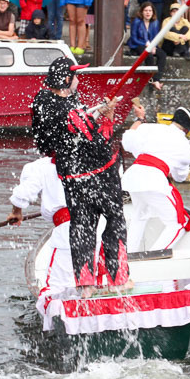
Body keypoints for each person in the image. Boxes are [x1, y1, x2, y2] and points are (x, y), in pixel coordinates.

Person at [31, 58, 130, 296]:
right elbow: (94, 135)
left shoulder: (44, 101)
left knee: (82, 225)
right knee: (114, 219)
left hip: (72, 177)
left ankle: (86, 285)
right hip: (98, 173)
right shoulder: (59, 107)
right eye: (75, 76)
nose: (78, 79)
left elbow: (62, 137)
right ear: (66, 79)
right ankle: (118, 279)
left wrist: (98, 113)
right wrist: (108, 116)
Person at [121, 103, 190, 254]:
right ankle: (154, 258)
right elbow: (180, 177)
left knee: (140, 216)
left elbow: (127, 142)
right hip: (154, 180)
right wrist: (167, 169)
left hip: (133, 176)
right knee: (178, 223)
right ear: (187, 130)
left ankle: (128, 255)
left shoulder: (148, 128)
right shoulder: (186, 149)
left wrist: (140, 119)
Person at [7, 155, 73, 292]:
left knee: (56, 288)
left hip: (66, 231)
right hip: (96, 225)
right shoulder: (90, 158)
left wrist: (16, 212)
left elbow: (22, 194)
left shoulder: (42, 166)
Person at [129, 1, 165, 91]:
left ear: (153, 12)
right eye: (146, 10)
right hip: (138, 44)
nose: (148, 12)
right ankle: (151, 78)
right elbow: (133, 38)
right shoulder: (137, 21)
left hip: (150, 45)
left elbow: (156, 37)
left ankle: (156, 79)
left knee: (162, 55)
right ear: (142, 12)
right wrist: (146, 44)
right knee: (148, 55)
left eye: (150, 10)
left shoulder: (155, 22)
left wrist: (153, 46)